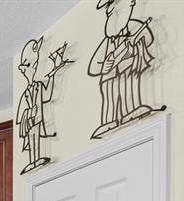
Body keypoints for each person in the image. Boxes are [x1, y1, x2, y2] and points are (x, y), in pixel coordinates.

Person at [88, 0, 165, 139]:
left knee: (129, 91)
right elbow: (94, 66)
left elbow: (147, 38)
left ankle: (131, 111)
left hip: (127, 70)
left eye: (116, 12)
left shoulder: (135, 27)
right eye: (110, 14)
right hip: (108, 77)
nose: (113, 18)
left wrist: (131, 49)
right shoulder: (107, 43)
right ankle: (108, 121)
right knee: (110, 99)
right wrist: (103, 66)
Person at [16, 37, 71, 174]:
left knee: (37, 136)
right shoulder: (25, 93)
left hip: (38, 118)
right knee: (32, 137)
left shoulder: (39, 86)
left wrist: (55, 75)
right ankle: (33, 160)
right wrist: (29, 112)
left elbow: (49, 94)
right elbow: (20, 112)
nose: (33, 69)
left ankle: (37, 158)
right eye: (29, 66)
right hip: (30, 119)